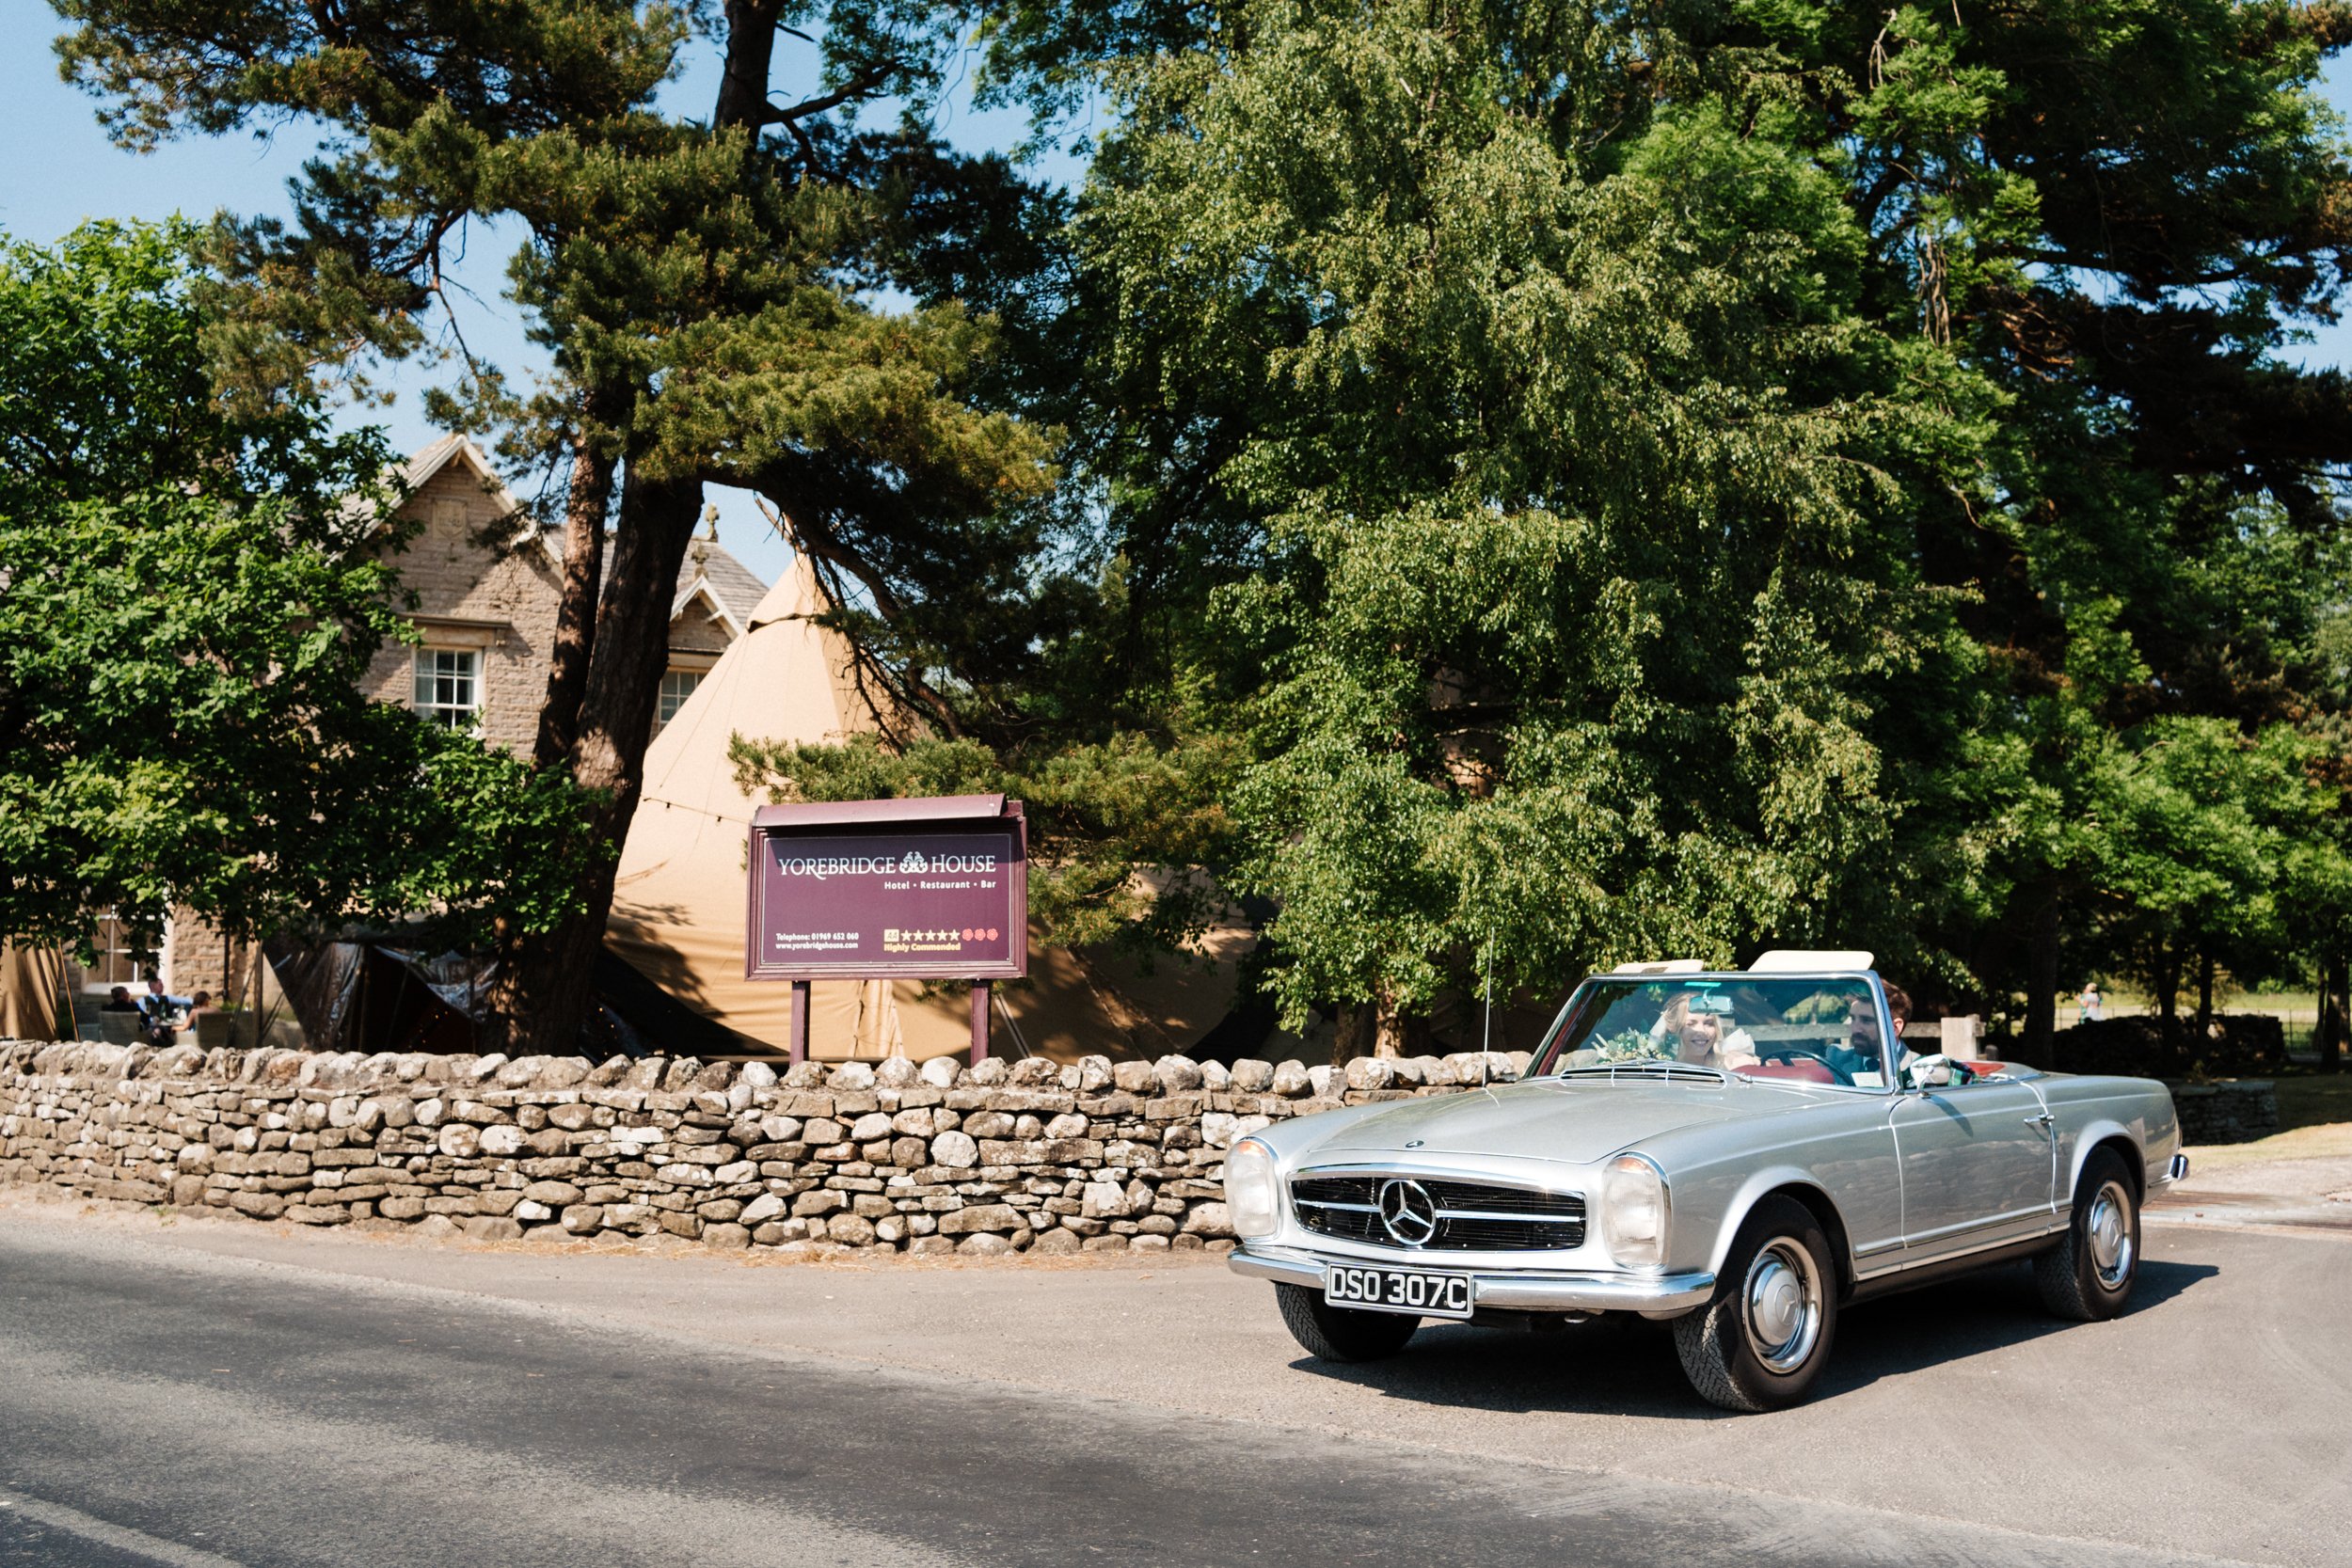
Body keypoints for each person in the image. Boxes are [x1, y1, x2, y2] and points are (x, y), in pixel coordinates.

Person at [1659, 991, 1758, 1070]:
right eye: (1691, 1024)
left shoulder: (1728, 1063)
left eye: (1709, 1023)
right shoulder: (1658, 1065)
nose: (1702, 1031)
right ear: (1674, 1028)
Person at [135, 974, 191, 1046]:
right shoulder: (143, 1000)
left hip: (166, 1026)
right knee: (157, 1030)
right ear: (152, 986)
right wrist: (151, 1020)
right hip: (150, 1027)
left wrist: (197, 1001)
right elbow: (139, 1016)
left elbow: (184, 1000)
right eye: (160, 984)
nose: (163, 986)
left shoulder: (167, 998)